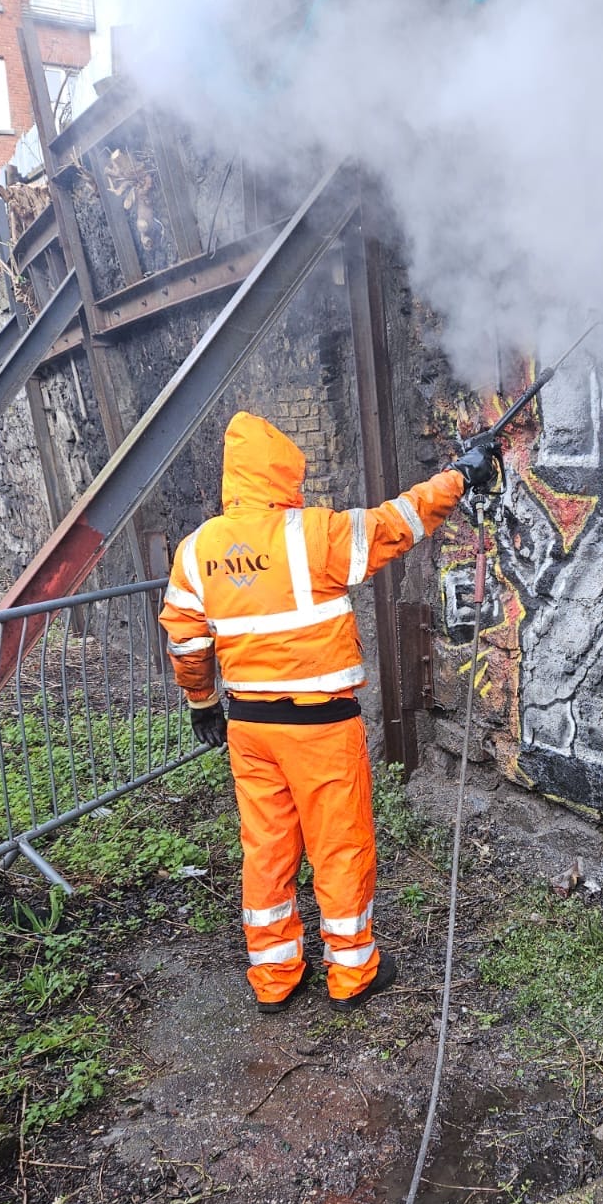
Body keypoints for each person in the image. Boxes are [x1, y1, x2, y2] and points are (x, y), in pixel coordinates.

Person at [159, 410, 495, 1011]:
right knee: (338, 844)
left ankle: (275, 976)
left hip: (248, 728)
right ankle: (352, 972)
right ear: (285, 474)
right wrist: (459, 477)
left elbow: (185, 641)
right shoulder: (312, 533)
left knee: (265, 846)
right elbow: (400, 522)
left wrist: (202, 701)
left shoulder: (196, 550)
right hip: (319, 727)